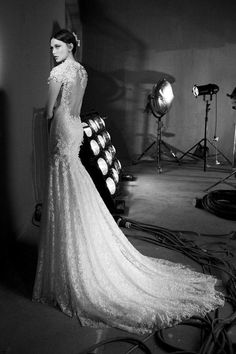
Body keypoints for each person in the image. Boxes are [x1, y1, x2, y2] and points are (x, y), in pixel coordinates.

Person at [32, 29, 224, 335]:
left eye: (57, 46)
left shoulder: (59, 72)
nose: (53, 50)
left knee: (63, 187)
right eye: (51, 46)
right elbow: (76, 110)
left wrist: (45, 117)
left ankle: (69, 264)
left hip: (61, 129)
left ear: (70, 46)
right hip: (75, 129)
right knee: (74, 186)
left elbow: (49, 111)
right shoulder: (80, 72)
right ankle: (78, 252)